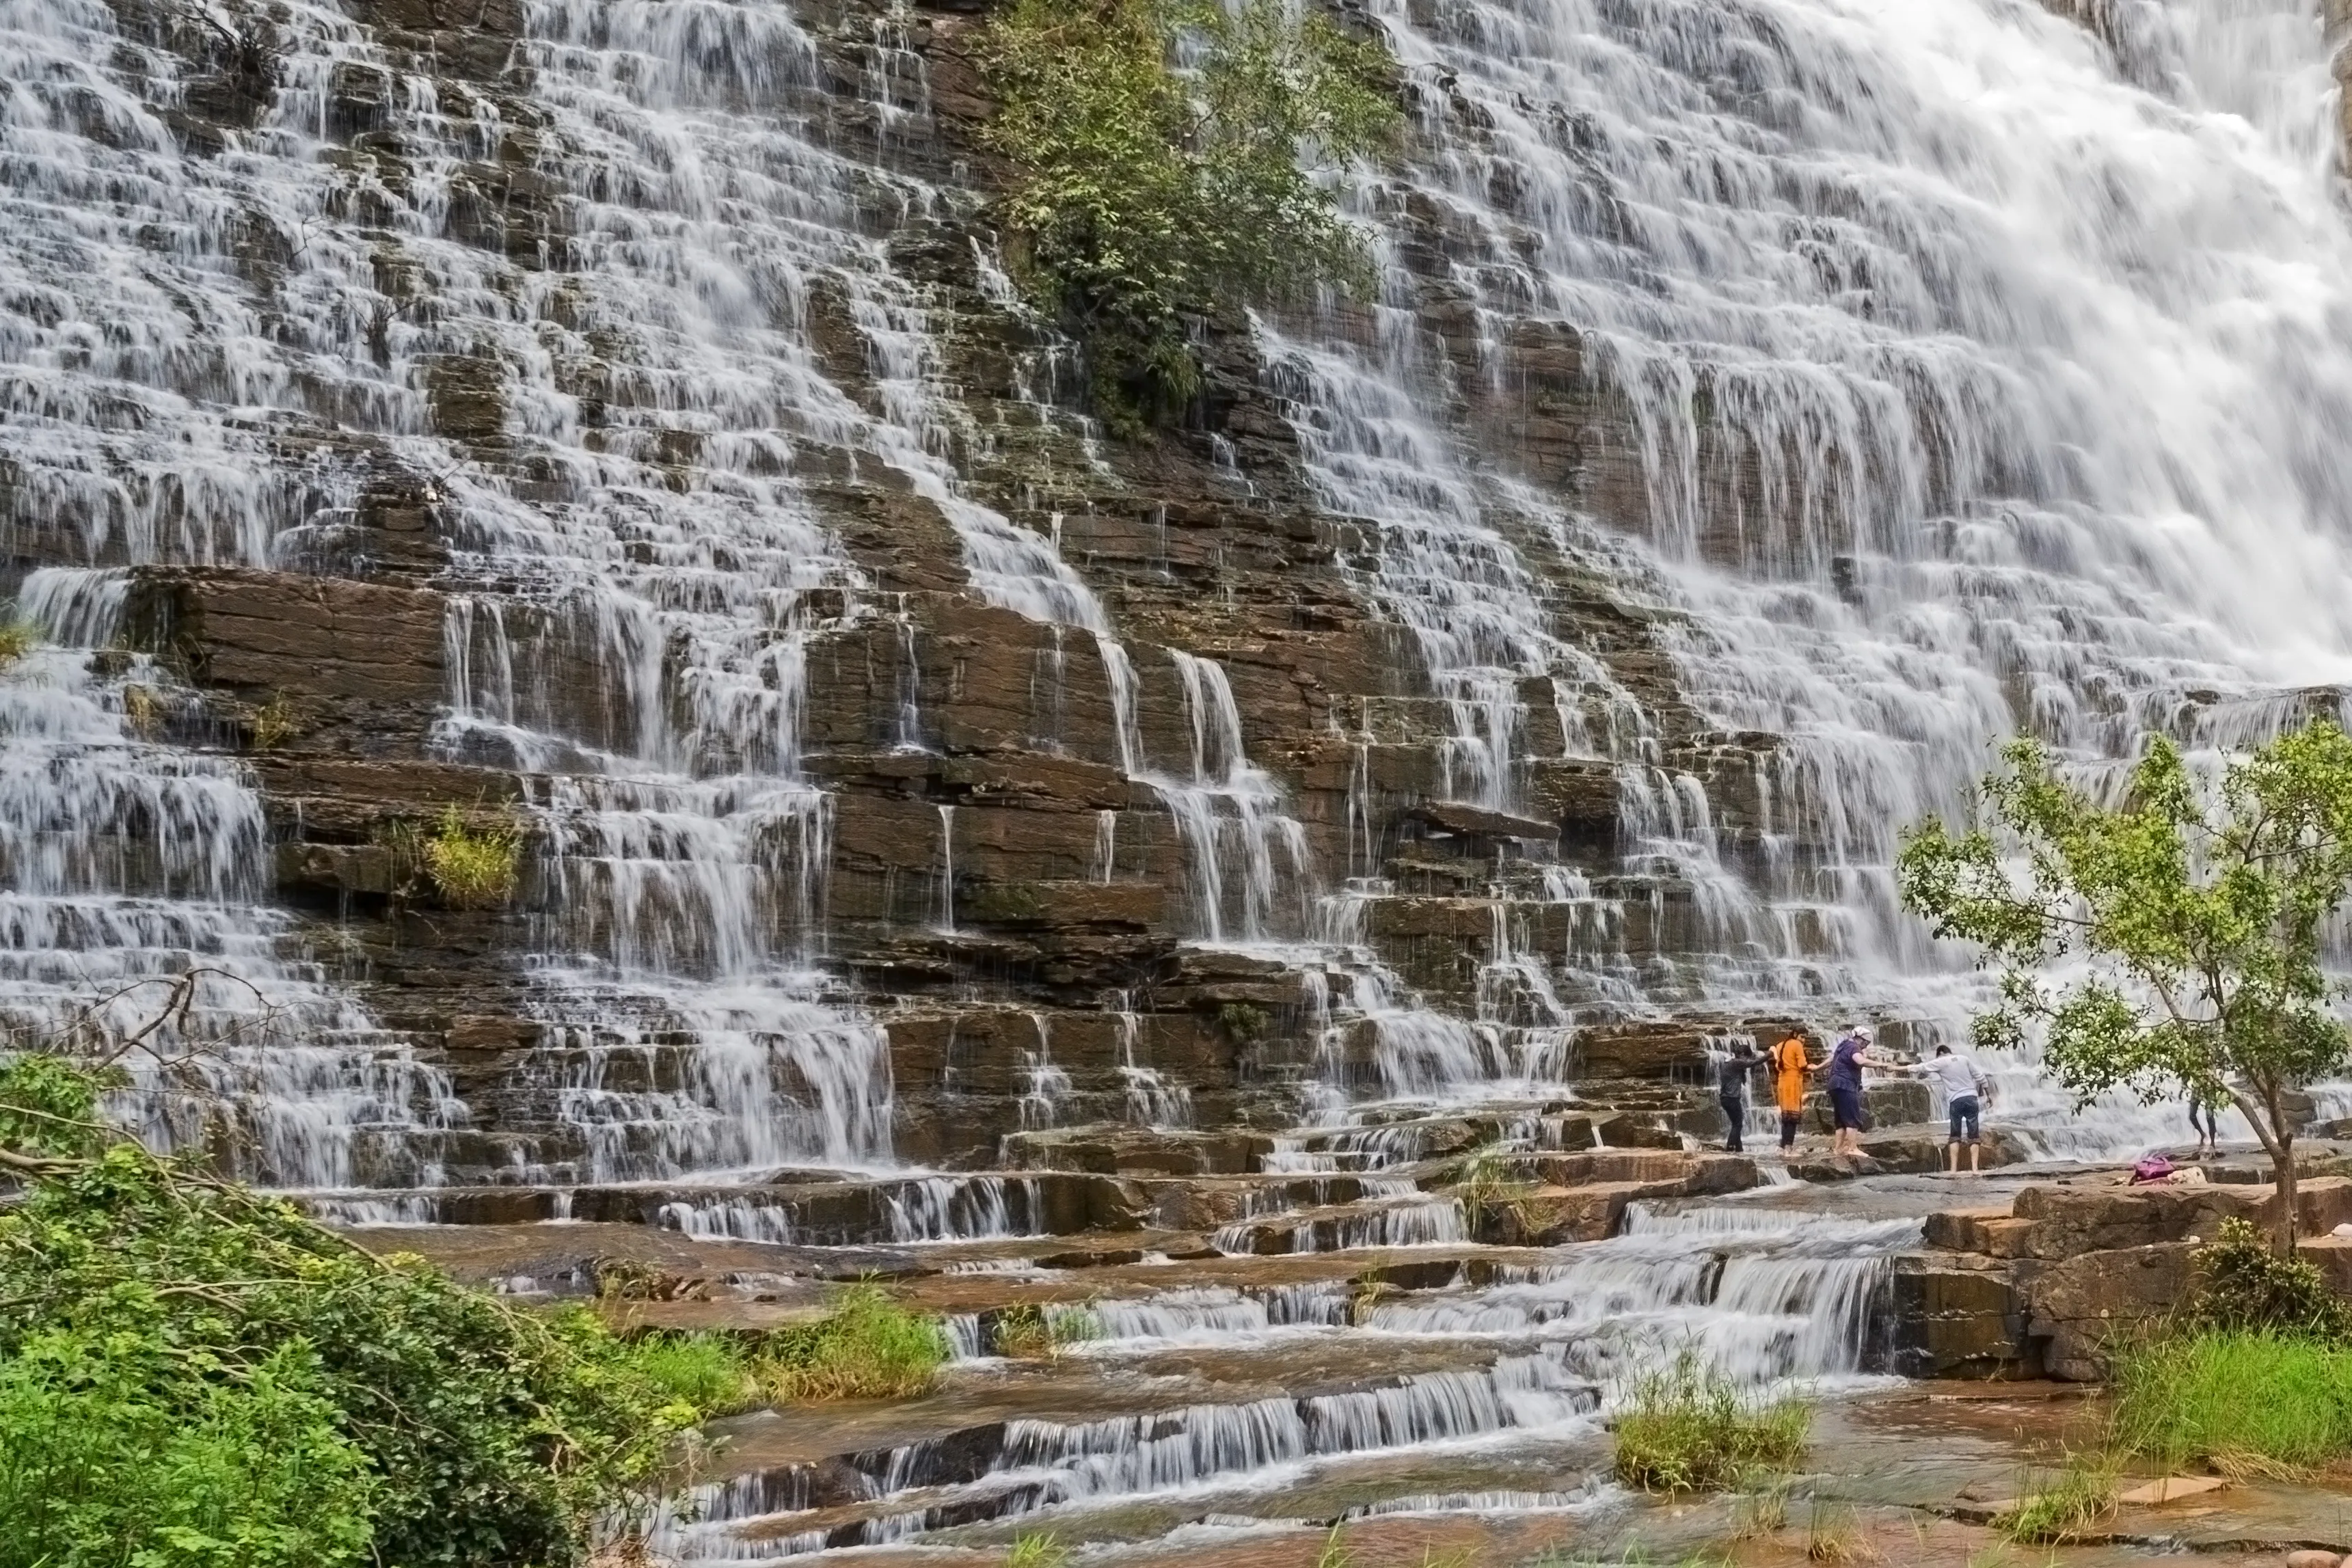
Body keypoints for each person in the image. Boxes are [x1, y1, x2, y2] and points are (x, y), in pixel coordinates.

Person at [1912, 1043, 1992, 1174]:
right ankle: (1975, 1169)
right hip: (1971, 1098)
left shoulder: (1940, 1062)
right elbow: (1980, 1077)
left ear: (1940, 1055)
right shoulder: (1964, 1059)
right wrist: (1989, 1095)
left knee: (1955, 1135)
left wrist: (1895, 1067)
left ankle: (1953, 1170)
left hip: (1956, 1101)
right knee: (1974, 1135)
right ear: (1950, 1052)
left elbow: (1920, 1068)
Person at [1826, 1025, 1889, 1160]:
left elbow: (1831, 1061)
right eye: (1866, 1043)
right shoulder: (1854, 1047)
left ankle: (1838, 1149)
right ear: (1860, 1039)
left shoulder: (1843, 1045)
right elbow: (1859, 1061)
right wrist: (1881, 1065)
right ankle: (1853, 1148)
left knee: (1841, 1120)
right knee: (1852, 1118)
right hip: (1846, 1085)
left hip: (1834, 1085)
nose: (1865, 1047)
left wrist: (1816, 1068)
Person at [1770, 1030, 1815, 1154]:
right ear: (1795, 1035)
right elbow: (1802, 1064)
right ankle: (1789, 1148)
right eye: (1802, 1036)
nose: (1804, 1040)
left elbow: (1777, 1067)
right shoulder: (1797, 1045)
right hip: (1793, 1083)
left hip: (1782, 1083)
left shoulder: (1780, 1045)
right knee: (1793, 1117)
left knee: (1786, 1117)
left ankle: (1782, 1146)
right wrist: (1811, 1067)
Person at [1717, 1038, 1762, 1153]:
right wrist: (1771, 1054)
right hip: (1732, 1099)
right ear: (1742, 1054)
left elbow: (1750, 1061)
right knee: (1738, 1124)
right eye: (1746, 1057)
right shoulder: (1736, 1063)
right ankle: (1730, 1147)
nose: (1746, 1061)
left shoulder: (1729, 1062)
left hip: (1725, 1098)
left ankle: (1739, 1148)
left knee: (1736, 1124)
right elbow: (1754, 1063)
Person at [2189, 1086, 2223, 1158]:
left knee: (2209, 1116)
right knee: (2192, 1115)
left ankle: (2212, 1142)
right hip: (2197, 1087)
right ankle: (2202, 1134)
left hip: (2209, 1087)